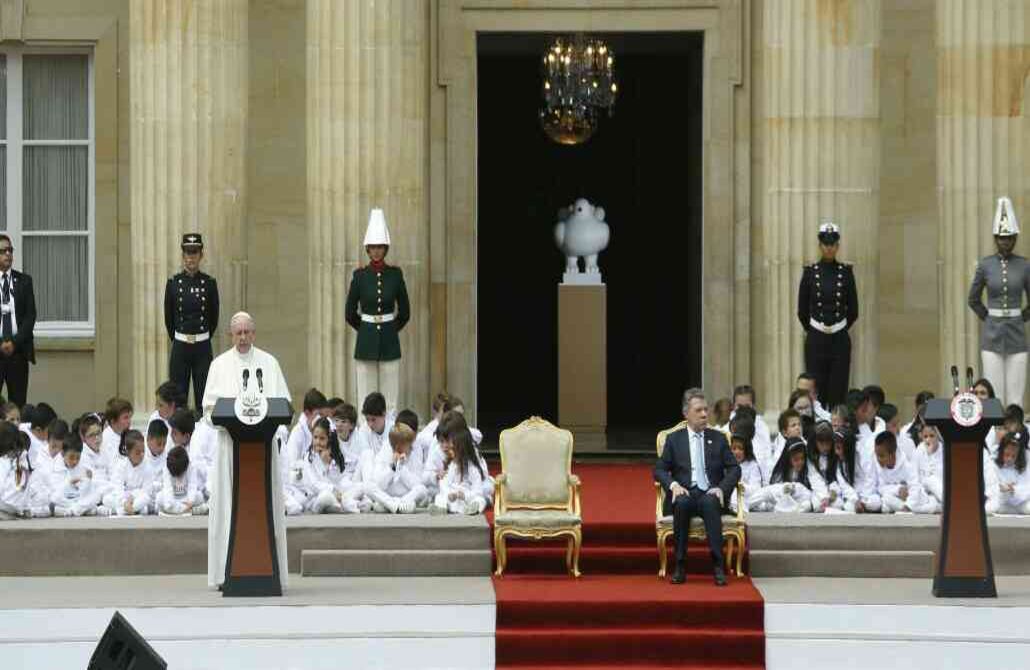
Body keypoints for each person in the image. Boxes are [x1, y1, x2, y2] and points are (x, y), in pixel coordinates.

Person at [203, 311, 290, 591]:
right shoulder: (218, 365)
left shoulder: (269, 363)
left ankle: (268, 569)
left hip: (263, 449)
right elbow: (208, 409)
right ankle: (224, 573)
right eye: (238, 333)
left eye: (247, 332)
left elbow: (284, 403)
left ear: (254, 333)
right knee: (228, 507)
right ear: (231, 335)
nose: (242, 337)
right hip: (230, 447)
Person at [653, 388, 740, 586]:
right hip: (685, 491)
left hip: (710, 492)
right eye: (698, 410)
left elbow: (735, 469)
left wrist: (721, 488)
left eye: (706, 410)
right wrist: (673, 485)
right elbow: (659, 469)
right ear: (686, 413)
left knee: (710, 502)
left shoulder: (718, 438)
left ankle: (718, 566)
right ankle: (680, 565)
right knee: (682, 503)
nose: (704, 414)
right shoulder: (674, 439)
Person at [345, 208, 411, 417]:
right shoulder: (360, 276)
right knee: (366, 397)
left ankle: (390, 434)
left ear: (385, 248)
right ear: (367, 249)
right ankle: (366, 435)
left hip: (390, 343)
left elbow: (405, 312)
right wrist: (366, 329)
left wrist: (390, 329)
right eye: (372, 247)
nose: (376, 251)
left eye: (380, 247)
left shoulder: (395, 274)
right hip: (366, 342)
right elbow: (350, 313)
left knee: (390, 400)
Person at [969, 197, 1029, 407]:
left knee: (1016, 393)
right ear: (995, 239)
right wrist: (988, 317)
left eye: (1010, 238)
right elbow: (973, 298)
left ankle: (1015, 427)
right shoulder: (986, 265)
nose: (1006, 242)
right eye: (1002, 238)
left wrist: (1020, 317)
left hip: (1016, 334)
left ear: (1015, 239)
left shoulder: (1024, 265)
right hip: (992, 334)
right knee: (993, 393)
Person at [797, 222, 858, 410]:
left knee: (839, 389)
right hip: (817, 338)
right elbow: (802, 311)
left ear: (837, 246)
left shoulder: (845, 273)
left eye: (832, 244)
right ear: (820, 245)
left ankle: (838, 424)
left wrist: (838, 328)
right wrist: (816, 330)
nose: (829, 247)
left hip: (839, 339)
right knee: (816, 390)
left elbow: (853, 310)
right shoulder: (810, 272)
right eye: (825, 244)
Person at [164, 233, 219, 410]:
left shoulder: (209, 283)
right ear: (183, 255)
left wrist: (202, 336)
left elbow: (214, 317)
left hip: (202, 347)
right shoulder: (173, 283)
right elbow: (169, 319)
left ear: (201, 255)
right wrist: (179, 337)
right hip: (181, 346)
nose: (191, 257)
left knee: (204, 396)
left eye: (195, 252)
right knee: (178, 398)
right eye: (188, 253)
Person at [0, 234, 36, 407]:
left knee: (18, 404)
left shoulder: (24, 281)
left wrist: (14, 342)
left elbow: (30, 316)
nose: (8, 254)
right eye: (3, 251)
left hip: (18, 352)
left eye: (10, 250)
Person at [431, 415, 488, 517]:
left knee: (480, 500)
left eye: (452, 449)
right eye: (441, 441)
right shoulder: (451, 465)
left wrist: (464, 495)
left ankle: (473, 508)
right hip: (452, 498)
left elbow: (478, 489)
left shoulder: (471, 467)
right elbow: (444, 483)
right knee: (439, 497)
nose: (445, 447)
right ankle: (441, 507)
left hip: (466, 497)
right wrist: (449, 493)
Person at [368, 423, 428, 513]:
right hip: (387, 495)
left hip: (406, 496)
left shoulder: (413, 454)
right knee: (368, 486)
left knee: (422, 489)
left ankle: (393, 505)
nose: (411, 447)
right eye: (408, 445)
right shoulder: (383, 454)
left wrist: (401, 468)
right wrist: (393, 467)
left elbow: (416, 484)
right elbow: (379, 485)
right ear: (399, 446)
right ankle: (394, 505)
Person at [106, 430, 153, 516]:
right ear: (128, 452)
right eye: (137, 452)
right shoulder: (121, 465)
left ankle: (122, 511)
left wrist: (132, 496)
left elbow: (147, 491)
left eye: (143, 451)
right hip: (123, 499)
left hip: (138, 498)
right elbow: (117, 488)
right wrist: (125, 502)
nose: (142, 455)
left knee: (146, 499)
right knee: (106, 499)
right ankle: (133, 510)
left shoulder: (148, 467)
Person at [986, 433, 1030, 514]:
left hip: (1020, 503)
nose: (1010, 459)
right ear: (1001, 452)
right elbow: (991, 489)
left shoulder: (1023, 467)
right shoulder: (993, 466)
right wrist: (1003, 491)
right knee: (989, 508)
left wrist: (1014, 490)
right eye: (1007, 455)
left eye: (1013, 456)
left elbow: (1027, 488)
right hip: (1002, 503)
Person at [156, 446, 207, 516]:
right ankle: (188, 511)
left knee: (200, 496)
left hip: (186, 498)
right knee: (159, 498)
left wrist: (190, 501)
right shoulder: (166, 468)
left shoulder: (191, 467)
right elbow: (168, 488)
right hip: (173, 498)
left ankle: (176, 511)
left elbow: (192, 486)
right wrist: (169, 504)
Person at [914, 424, 944, 514]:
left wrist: (931, 455)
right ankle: (943, 507)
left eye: (931, 436)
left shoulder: (944, 449)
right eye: (925, 437)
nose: (928, 440)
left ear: (937, 435)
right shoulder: (919, 449)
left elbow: (940, 475)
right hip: (925, 492)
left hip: (940, 489)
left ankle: (946, 503)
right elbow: (915, 475)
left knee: (931, 480)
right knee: (932, 505)